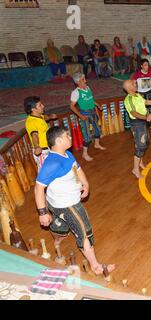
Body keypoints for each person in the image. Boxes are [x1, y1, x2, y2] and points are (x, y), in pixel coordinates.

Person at [34, 125, 116, 276]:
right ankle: (96, 266)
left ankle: (57, 233)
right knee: (84, 231)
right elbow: (38, 188)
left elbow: (77, 169)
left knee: (62, 226)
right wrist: (42, 212)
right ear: (58, 141)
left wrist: (85, 184)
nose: (70, 138)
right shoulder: (52, 163)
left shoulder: (67, 154)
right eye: (67, 136)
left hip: (59, 202)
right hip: (67, 204)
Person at [122, 80, 151, 179]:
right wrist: (146, 117)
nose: (136, 84)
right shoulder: (128, 99)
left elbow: (146, 102)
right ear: (129, 87)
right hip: (137, 123)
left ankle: (140, 163)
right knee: (141, 146)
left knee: (144, 143)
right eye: (134, 84)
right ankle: (135, 169)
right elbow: (134, 113)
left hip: (142, 122)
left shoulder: (137, 95)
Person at [70, 73, 106, 162]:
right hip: (85, 114)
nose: (85, 81)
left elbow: (91, 99)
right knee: (87, 135)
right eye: (83, 80)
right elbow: (72, 106)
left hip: (93, 111)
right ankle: (84, 153)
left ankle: (97, 144)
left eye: (84, 79)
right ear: (78, 82)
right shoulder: (76, 92)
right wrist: (80, 116)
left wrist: (98, 105)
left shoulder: (88, 88)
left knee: (97, 129)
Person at [24, 96, 57, 170]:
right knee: (45, 170)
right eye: (40, 105)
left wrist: (51, 117)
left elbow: (45, 117)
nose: (43, 106)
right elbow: (34, 135)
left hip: (48, 148)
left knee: (52, 167)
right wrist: (37, 146)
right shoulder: (31, 122)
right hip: (42, 151)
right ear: (33, 109)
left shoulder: (39, 116)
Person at [131, 59, 151, 134]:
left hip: (149, 93)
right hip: (141, 94)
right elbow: (133, 83)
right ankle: (142, 126)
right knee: (142, 111)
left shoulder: (150, 72)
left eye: (147, 65)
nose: (147, 66)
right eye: (145, 65)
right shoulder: (137, 74)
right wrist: (133, 91)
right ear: (141, 66)